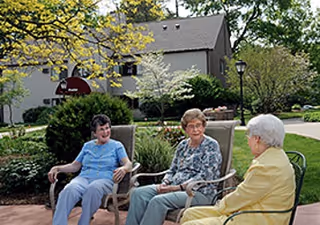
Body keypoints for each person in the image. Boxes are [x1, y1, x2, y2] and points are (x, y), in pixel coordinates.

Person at [181, 114, 296, 225]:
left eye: (249, 136)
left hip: (257, 218)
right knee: (190, 213)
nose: (247, 141)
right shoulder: (275, 156)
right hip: (252, 210)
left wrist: (220, 205)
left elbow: (242, 196)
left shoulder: (267, 167)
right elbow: (246, 196)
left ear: (257, 139)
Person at [125, 108, 222, 225]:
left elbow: (206, 176)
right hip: (173, 187)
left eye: (198, 125)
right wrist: (165, 182)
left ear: (203, 126)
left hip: (199, 192)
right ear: (185, 129)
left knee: (158, 201)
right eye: (191, 126)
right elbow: (173, 169)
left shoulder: (211, 145)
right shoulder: (183, 145)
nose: (195, 130)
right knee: (138, 194)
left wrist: (175, 188)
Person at [48, 114, 132, 225]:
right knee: (69, 190)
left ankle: (84, 222)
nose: (105, 132)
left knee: (93, 189)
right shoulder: (87, 146)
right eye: (101, 129)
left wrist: (124, 169)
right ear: (94, 133)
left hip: (104, 180)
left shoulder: (117, 146)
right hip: (84, 178)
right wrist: (57, 168)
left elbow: (128, 163)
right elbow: (75, 166)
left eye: (107, 128)